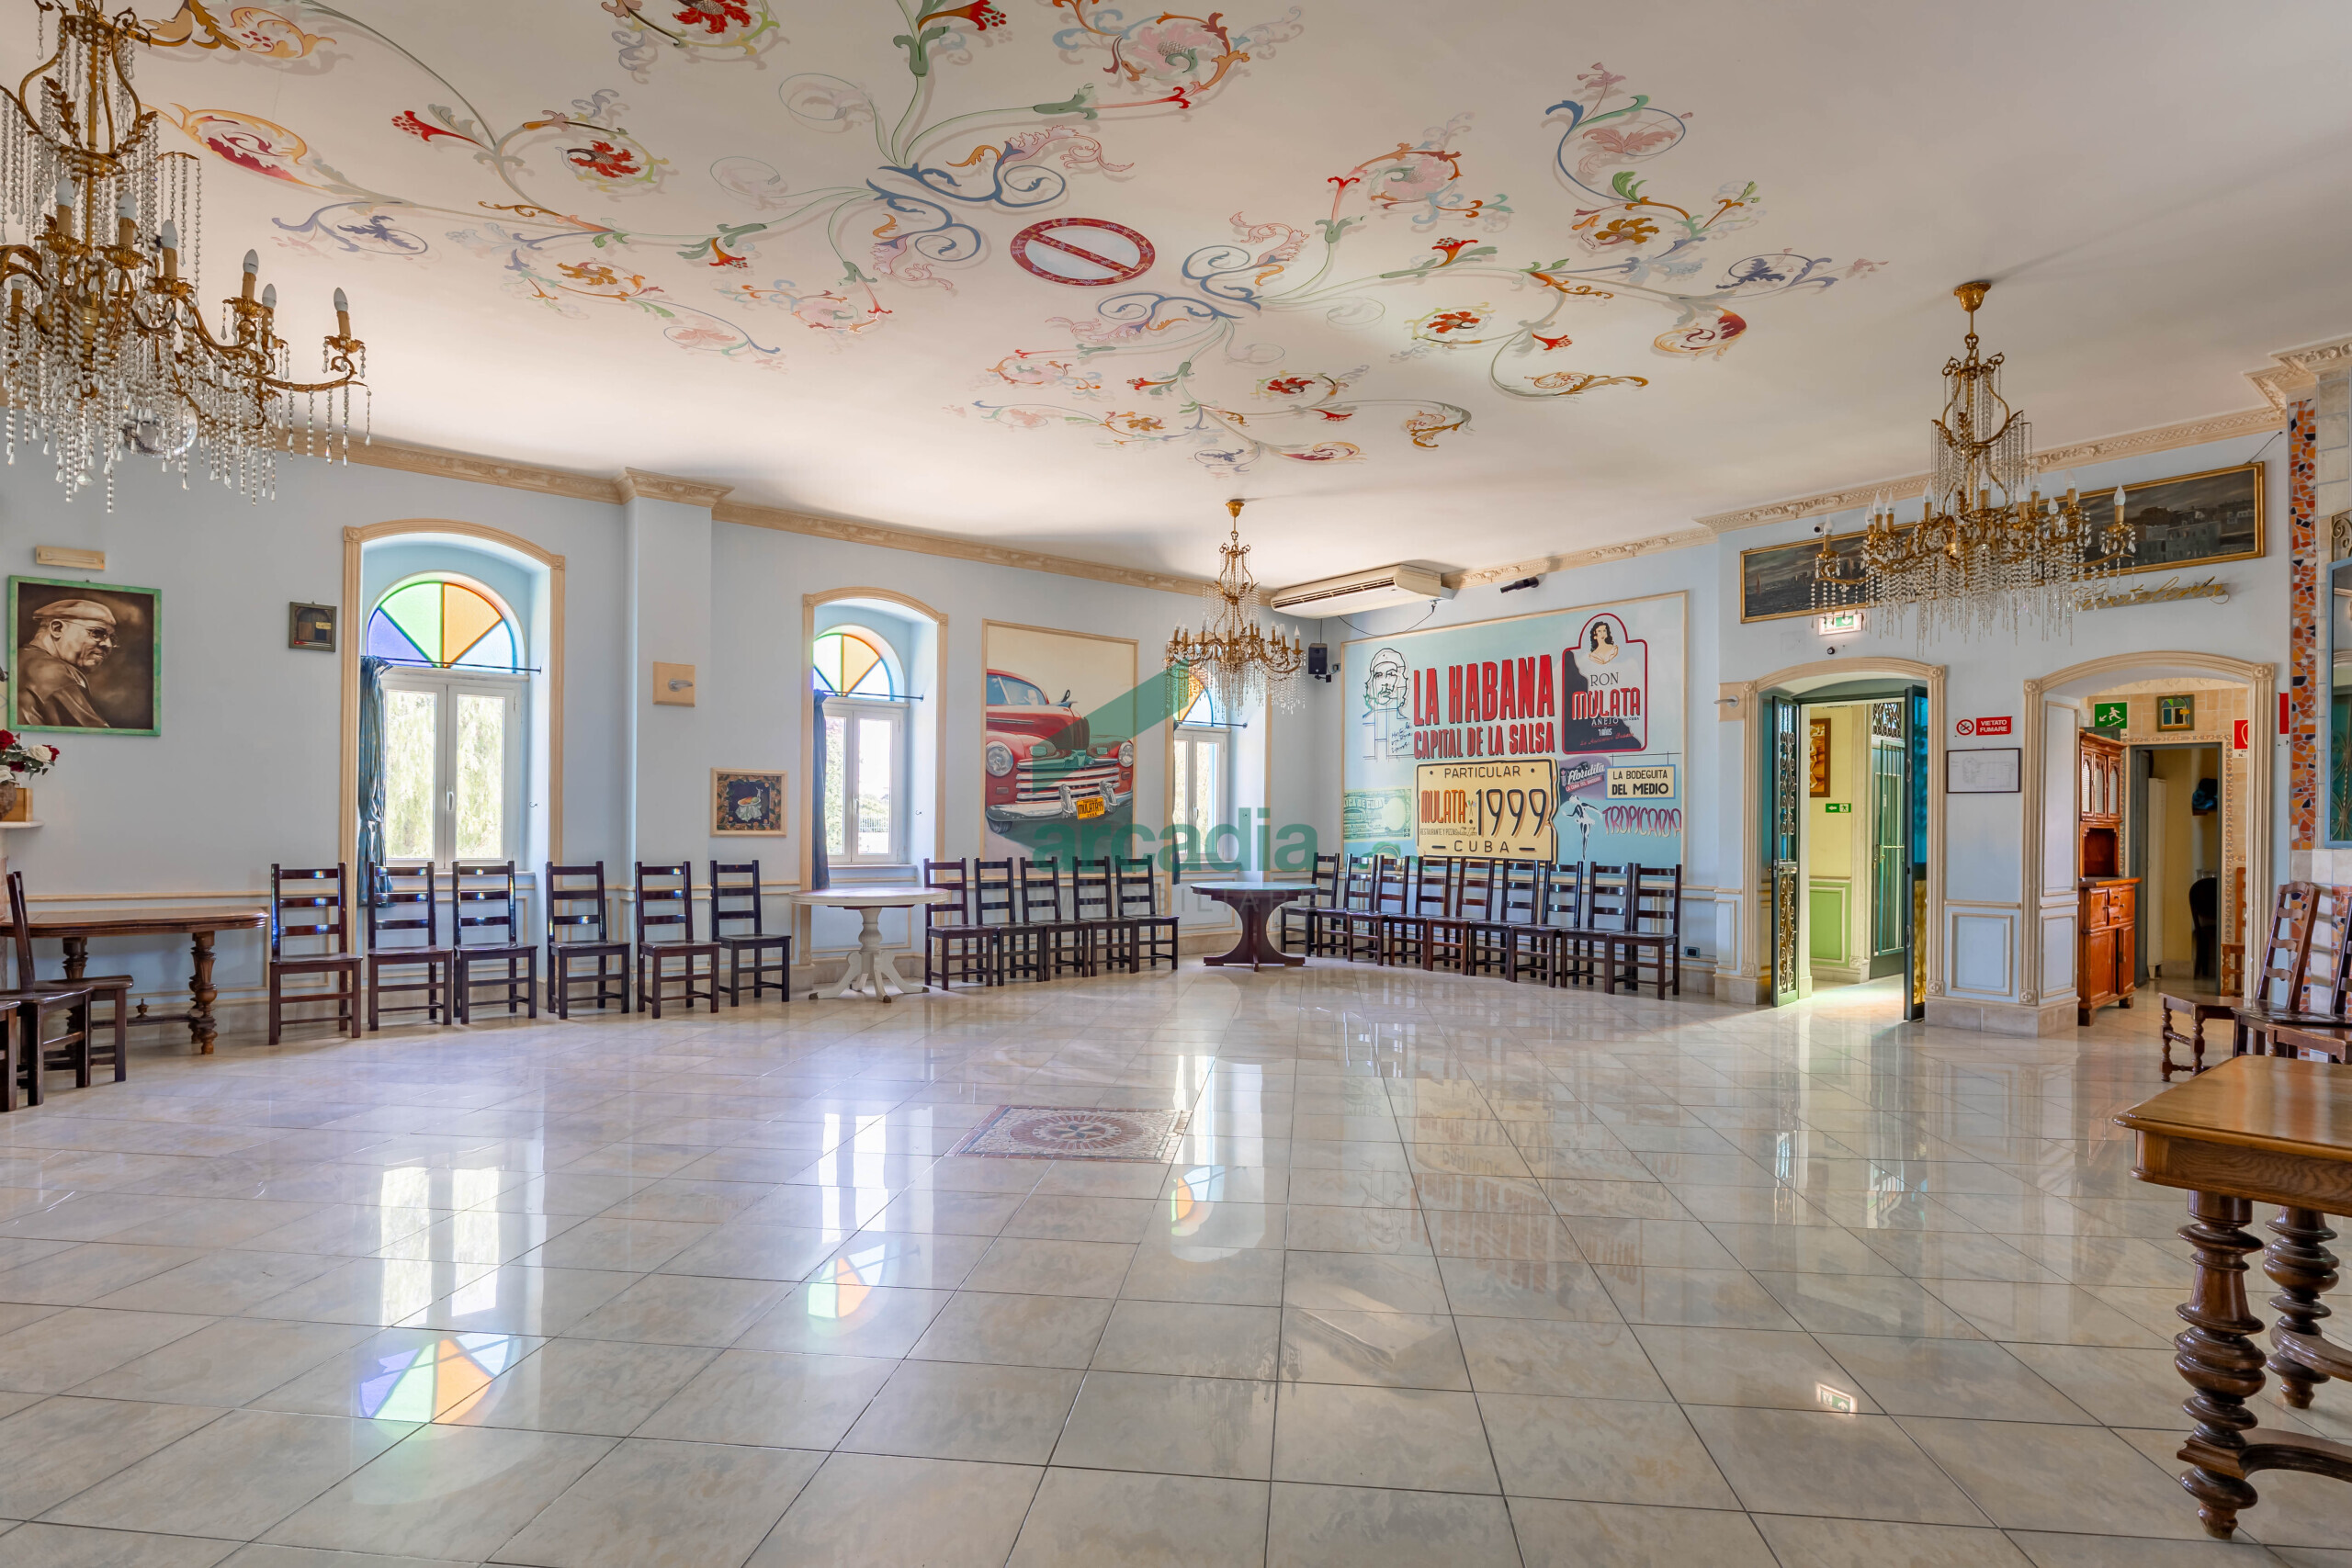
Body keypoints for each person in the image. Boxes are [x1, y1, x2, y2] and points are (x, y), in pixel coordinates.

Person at [15, 597, 119, 728]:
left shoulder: (16, 659)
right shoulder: (54, 673)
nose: (108, 645)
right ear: (57, 629)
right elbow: (97, 735)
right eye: (97, 633)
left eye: (112, 638)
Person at [1360, 647, 1411, 760]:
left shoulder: (1408, 726)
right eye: (1378, 675)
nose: (1385, 682)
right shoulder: (1363, 727)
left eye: (1391, 674)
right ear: (1371, 682)